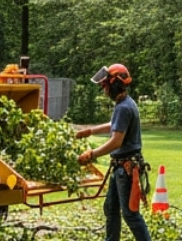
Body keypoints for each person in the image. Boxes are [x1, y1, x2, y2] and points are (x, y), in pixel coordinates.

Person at [75, 63, 149, 241]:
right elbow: (114, 125)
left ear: (115, 84)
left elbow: (116, 141)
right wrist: (90, 131)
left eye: (105, 86)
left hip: (126, 168)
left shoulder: (123, 107)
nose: (104, 90)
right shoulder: (125, 103)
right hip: (121, 167)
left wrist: (92, 154)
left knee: (130, 214)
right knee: (111, 208)